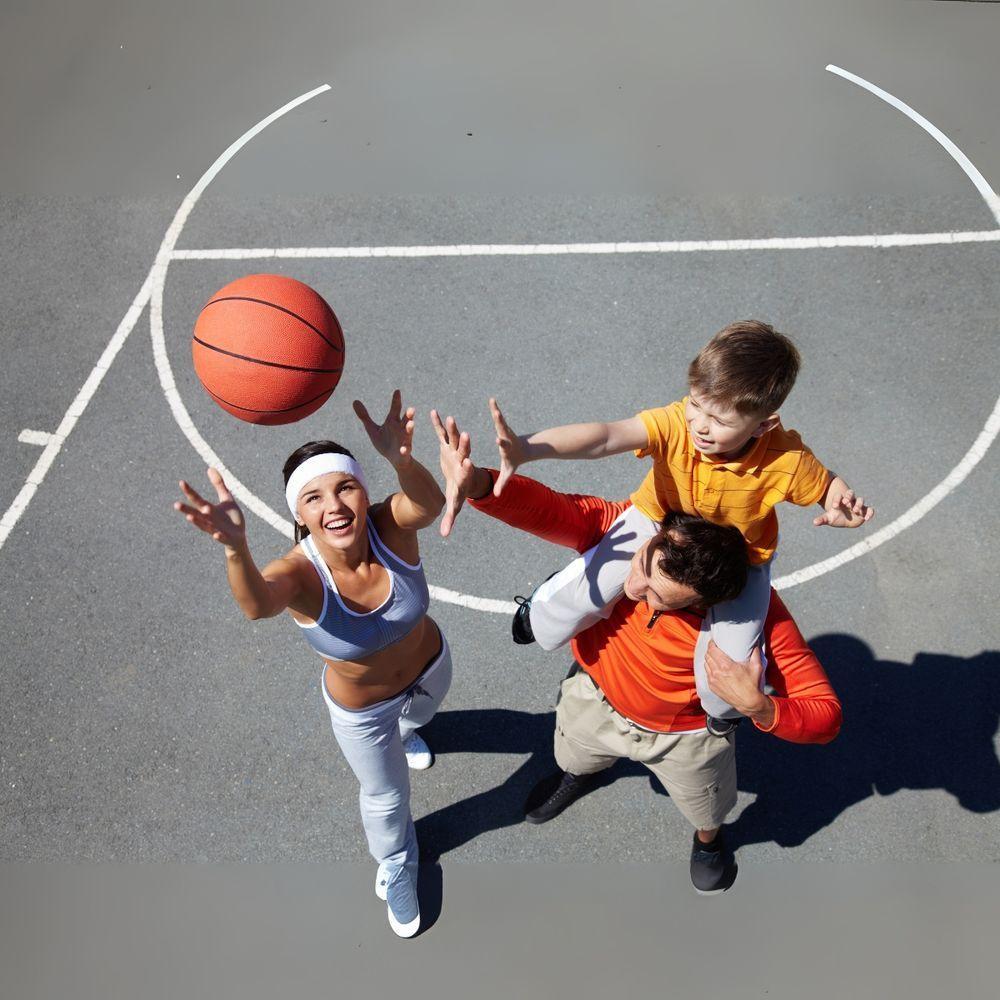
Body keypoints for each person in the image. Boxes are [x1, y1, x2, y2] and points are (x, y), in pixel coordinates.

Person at [432, 409, 842, 893]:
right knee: (574, 753)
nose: (633, 587)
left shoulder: (762, 619)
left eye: (656, 597)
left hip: (684, 738)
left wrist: (759, 706)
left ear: (705, 602)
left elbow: (827, 717)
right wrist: (478, 482)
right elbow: (552, 510)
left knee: (706, 806)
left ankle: (708, 838)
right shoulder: (629, 536)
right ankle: (578, 775)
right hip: (595, 698)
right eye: (646, 567)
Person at [484, 320, 871, 735]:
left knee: (729, 672)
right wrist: (528, 448)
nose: (701, 426)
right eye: (696, 404)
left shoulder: (787, 460)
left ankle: (721, 715)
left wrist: (839, 503)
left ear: (763, 426)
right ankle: (539, 610)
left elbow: (827, 483)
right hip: (656, 518)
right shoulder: (676, 424)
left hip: (741, 560)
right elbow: (606, 436)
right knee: (581, 599)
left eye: (719, 420)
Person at [175, 391, 447, 938]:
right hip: (363, 710)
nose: (335, 505)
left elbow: (431, 505)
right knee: (387, 795)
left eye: (345, 486)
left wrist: (400, 459)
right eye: (314, 497)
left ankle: (409, 729)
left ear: (362, 489)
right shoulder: (301, 573)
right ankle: (395, 865)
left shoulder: (389, 526)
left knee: (423, 718)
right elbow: (256, 606)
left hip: (429, 669)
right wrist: (235, 549)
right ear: (298, 514)